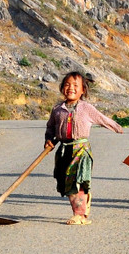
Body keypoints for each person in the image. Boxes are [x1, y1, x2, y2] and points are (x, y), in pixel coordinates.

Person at [44, 72, 124, 225]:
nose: (71, 88)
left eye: (76, 85)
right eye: (67, 84)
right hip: (64, 151)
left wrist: (117, 127)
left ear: (83, 90)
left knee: (78, 181)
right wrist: (48, 139)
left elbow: (102, 119)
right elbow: (50, 128)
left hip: (81, 150)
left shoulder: (86, 108)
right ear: (62, 88)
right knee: (66, 183)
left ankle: (79, 215)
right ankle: (82, 206)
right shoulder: (57, 109)